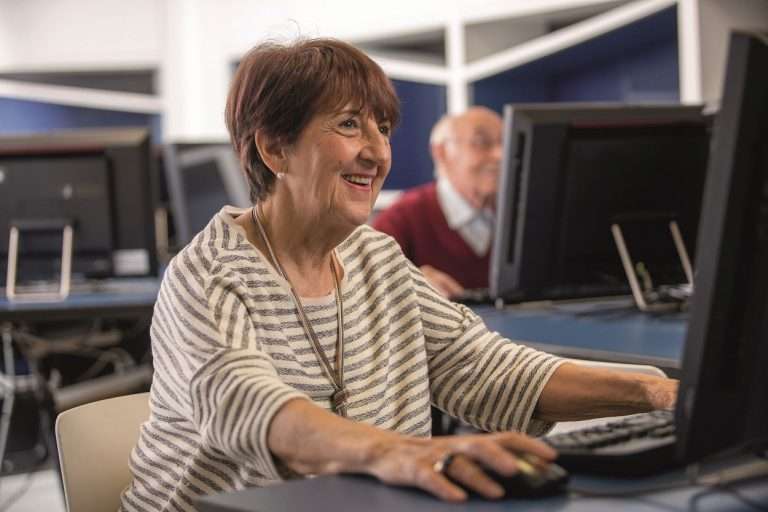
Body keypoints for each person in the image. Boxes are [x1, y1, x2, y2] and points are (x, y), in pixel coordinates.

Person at [120, 38, 677, 511]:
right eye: (348, 125)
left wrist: (659, 392)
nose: (377, 152)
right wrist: (397, 452)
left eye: (382, 128)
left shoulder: (377, 259)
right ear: (274, 148)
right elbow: (247, 406)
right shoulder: (207, 274)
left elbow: (490, 370)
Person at [373, 107, 502, 298]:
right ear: (441, 152)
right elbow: (367, 290)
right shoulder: (400, 219)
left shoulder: (525, 216)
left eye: (505, 143)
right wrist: (403, 287)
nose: (500, 155)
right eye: (481, 142)